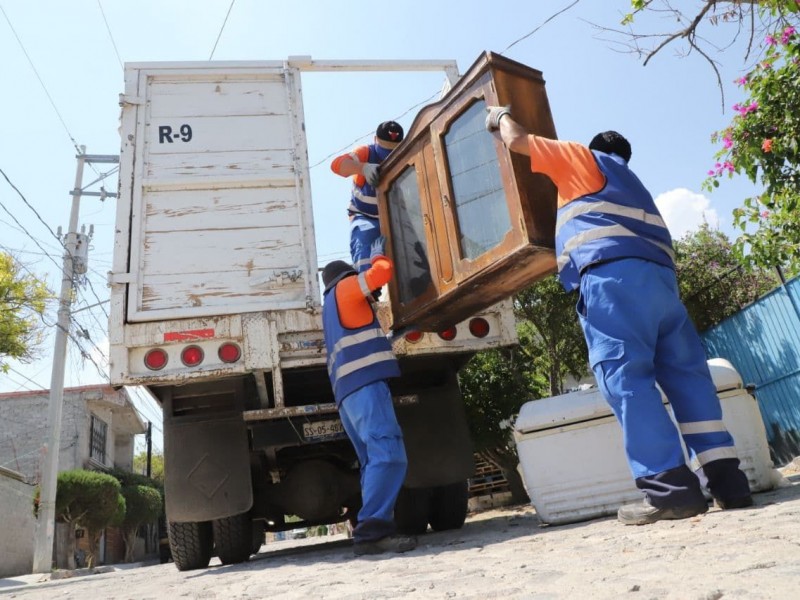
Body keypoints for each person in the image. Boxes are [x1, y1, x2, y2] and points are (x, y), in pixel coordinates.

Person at [485, 105, 753, 525]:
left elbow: (517, 141)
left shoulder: (582, 159)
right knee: (689, 382)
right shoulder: (634, 186)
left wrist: (499, 115)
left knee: (628, 382)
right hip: (662, 288)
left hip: (614, 284)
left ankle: (671, 492)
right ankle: (728, 483)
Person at [321, 235, 417, 554]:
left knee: (372, 461)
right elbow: (380, 275)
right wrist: (377, 258)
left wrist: (388, 337)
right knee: (388, 453)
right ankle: (372, 531)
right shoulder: (346, 288)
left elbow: (357, 341)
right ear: (346, 276)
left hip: (349, 397)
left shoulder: (331, 306)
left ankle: (376, 530)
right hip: (365, 387)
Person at [330, 121, 404, 275]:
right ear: (375, 140)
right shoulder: (366, 152)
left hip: (395, 215)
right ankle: (367, 289)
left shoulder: (405, 154)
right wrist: (363, 168)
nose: (388, 155)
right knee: (364, 241)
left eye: (392, 150)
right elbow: (337, 165)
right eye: (385, 148)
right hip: (364, 216)